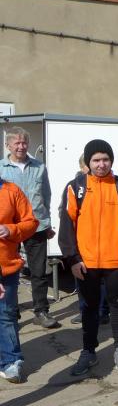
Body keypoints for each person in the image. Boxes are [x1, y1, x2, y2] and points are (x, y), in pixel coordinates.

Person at [59, 139, 118, 375]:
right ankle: (88, 352)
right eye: (96, 160)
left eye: (105, 159)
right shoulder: (76, 187)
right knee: (89, 308)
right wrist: (72, 259)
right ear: (88, 162)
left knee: (117, 304)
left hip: (116, 261)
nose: (101, 164)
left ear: (111, 161)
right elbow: (67, 225)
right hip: (86, 262)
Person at [0, 127, 58, 328]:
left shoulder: (39, 167)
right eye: (16, 143)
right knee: (10, 271)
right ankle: (12, 312)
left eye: (24, 142)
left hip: (36, 226)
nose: (21, 146)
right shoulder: (1, 168)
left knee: (38, 271)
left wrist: (47, 223)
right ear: (7, 145)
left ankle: (41, 311)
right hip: (9, 229)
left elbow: (46, 196)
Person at [0, 177, 38, 382]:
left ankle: (11, 362)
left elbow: (31, 222)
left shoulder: (11, 190)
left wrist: (11, 229)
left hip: (6, 267)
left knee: (6, 315)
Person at [69, 154, 110, 325]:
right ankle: (84, 311)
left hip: (106, 243)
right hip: (84, 244)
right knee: (82, 280)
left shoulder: (113, 184)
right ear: (82, 167)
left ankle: (103, 311)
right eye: (89, 164)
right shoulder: (75, 186)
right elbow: (67, 213)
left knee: (103, 283)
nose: (98, 166)